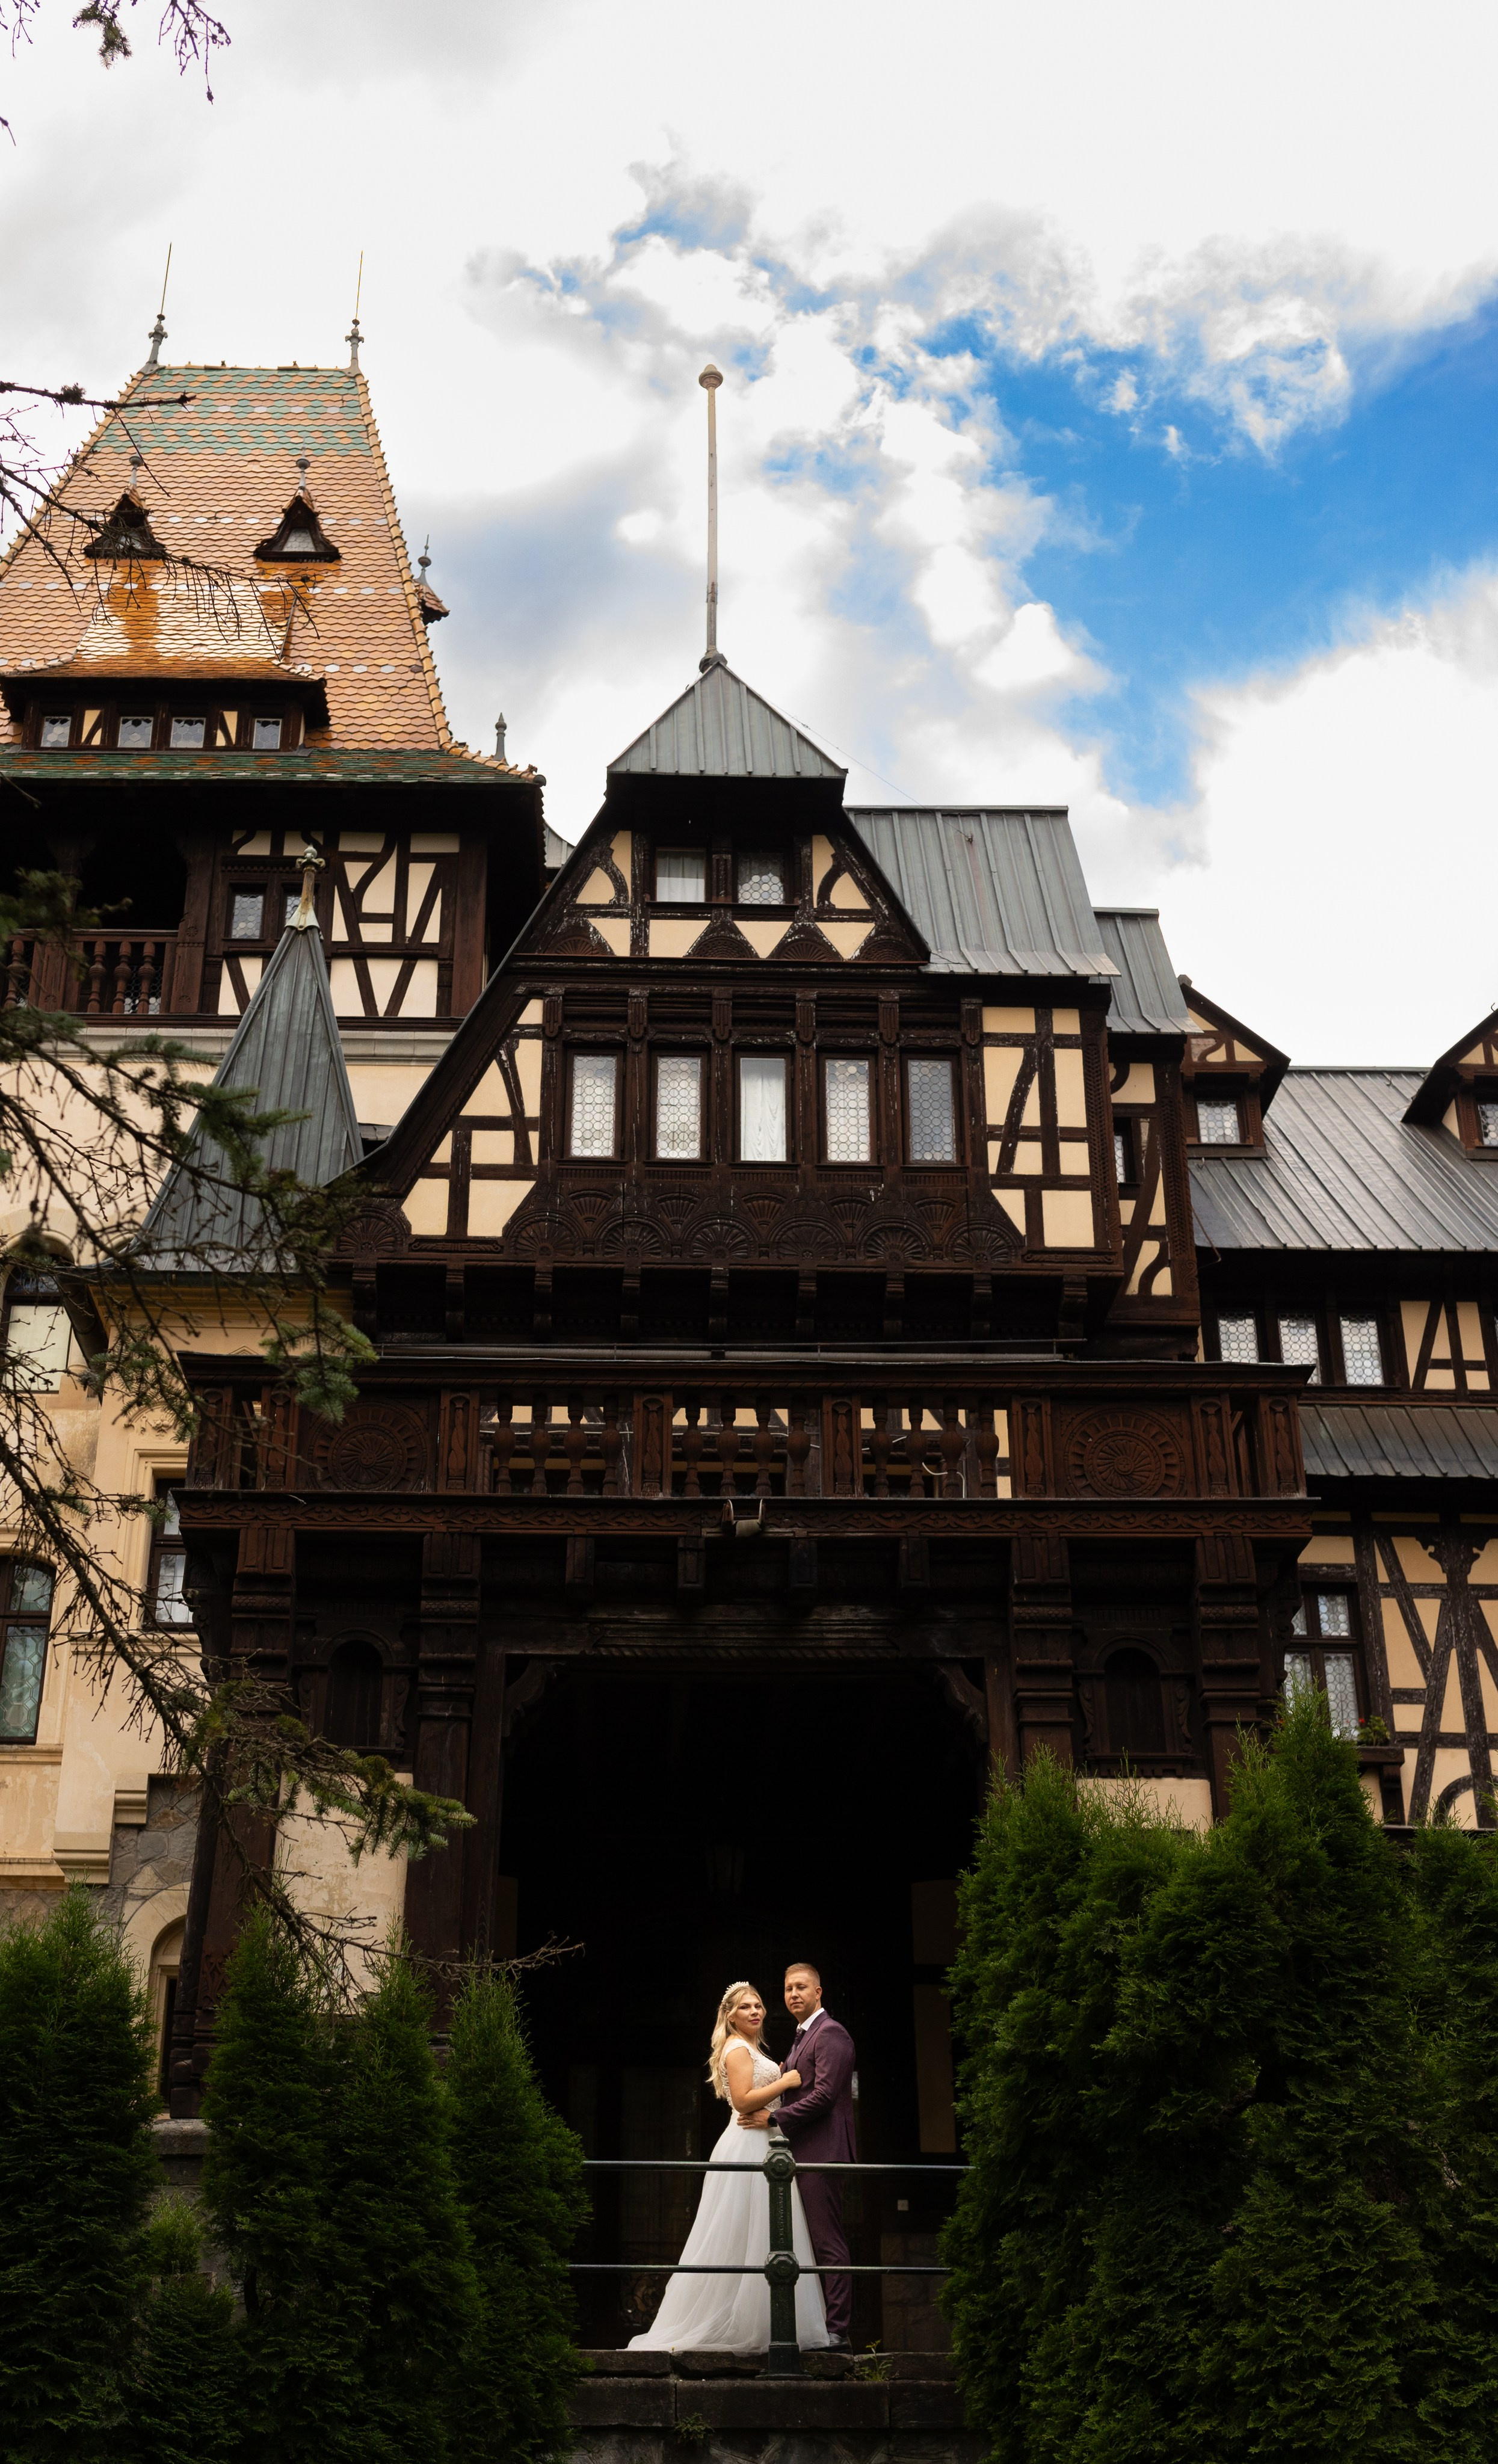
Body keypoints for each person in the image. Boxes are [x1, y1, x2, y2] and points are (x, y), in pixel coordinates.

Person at [627, 1980, 829, 2353]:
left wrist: (777, 2080)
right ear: (730, 2017)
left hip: (765, 2142)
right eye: (745, 2007)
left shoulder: (753, 2048)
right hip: (746, 2145)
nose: (755, 2012)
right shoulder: (737, 2048)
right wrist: (785, 2080)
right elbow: (743, 2100)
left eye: (758, 2005)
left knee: (764, 2235)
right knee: (738, 2230)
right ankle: (736, 2325)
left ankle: (768, 2324)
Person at [763, 1961, 857, 2349]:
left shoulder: (831, 2033)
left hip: (824, 2152)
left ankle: (837, 2332)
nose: (794, 1995)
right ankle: (815, 2327)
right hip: (803, 2152)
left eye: (802, 1987)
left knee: (827, 2241)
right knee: (802, 2242)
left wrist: (773, 2119)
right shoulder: (801, 2037)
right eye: (788, 1989)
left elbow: (825, 2096)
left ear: (819, 1993)